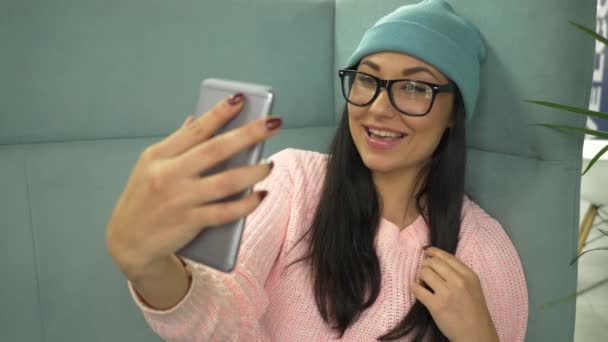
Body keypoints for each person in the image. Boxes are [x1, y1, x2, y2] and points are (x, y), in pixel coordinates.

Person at [106, 0, 528, 341]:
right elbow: (222, 316)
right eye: (367, 79)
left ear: (454, 112)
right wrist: (148, 266)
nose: (378, 107)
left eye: (415, 87)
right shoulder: (294, 179)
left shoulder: (482, 250)